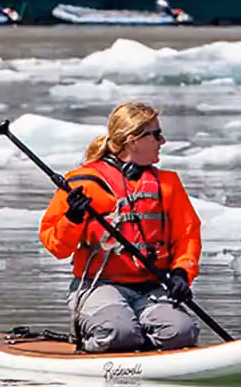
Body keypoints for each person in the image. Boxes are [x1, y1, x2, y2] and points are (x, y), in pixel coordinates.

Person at [38, 101, 203, 352]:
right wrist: (72, 217)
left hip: (151, 287)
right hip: (98, 285)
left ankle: (135, 345)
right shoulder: (82, 183)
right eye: (156, 135)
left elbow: (187, 235)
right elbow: (56, 246)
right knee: (119, 332)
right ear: (132, 139)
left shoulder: (167, 184)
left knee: (182, 332)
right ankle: (100, 343)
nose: (163, 141)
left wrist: (182, 273)